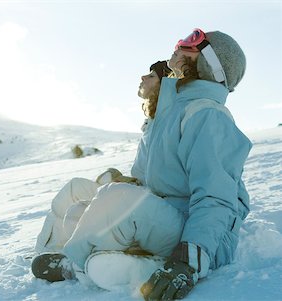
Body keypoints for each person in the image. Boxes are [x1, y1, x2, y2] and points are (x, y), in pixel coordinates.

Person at [33, 28, 251, 301]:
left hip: (203, 241)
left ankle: (73, 264)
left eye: (190, 42)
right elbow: (158, 182)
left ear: (208, 62)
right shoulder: (171, 114)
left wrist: (188, 262)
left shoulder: (208, 115)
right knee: (82, 202)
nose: (179, 43)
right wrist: (131, 183)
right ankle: (107, 261)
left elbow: (216, 198)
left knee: (116, 199)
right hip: (170, 221)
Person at [34, 60, 172, 255]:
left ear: (164, 85)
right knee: (75, 188)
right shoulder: (152, 122)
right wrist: (126, 180)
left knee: (82, 211)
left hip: (150, 210)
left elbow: (166, 180)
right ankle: (46, 253)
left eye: (151, 76)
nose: (142, 77)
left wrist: (130, 186)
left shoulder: (168, 123)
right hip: (137, 194)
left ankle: (70, 256)